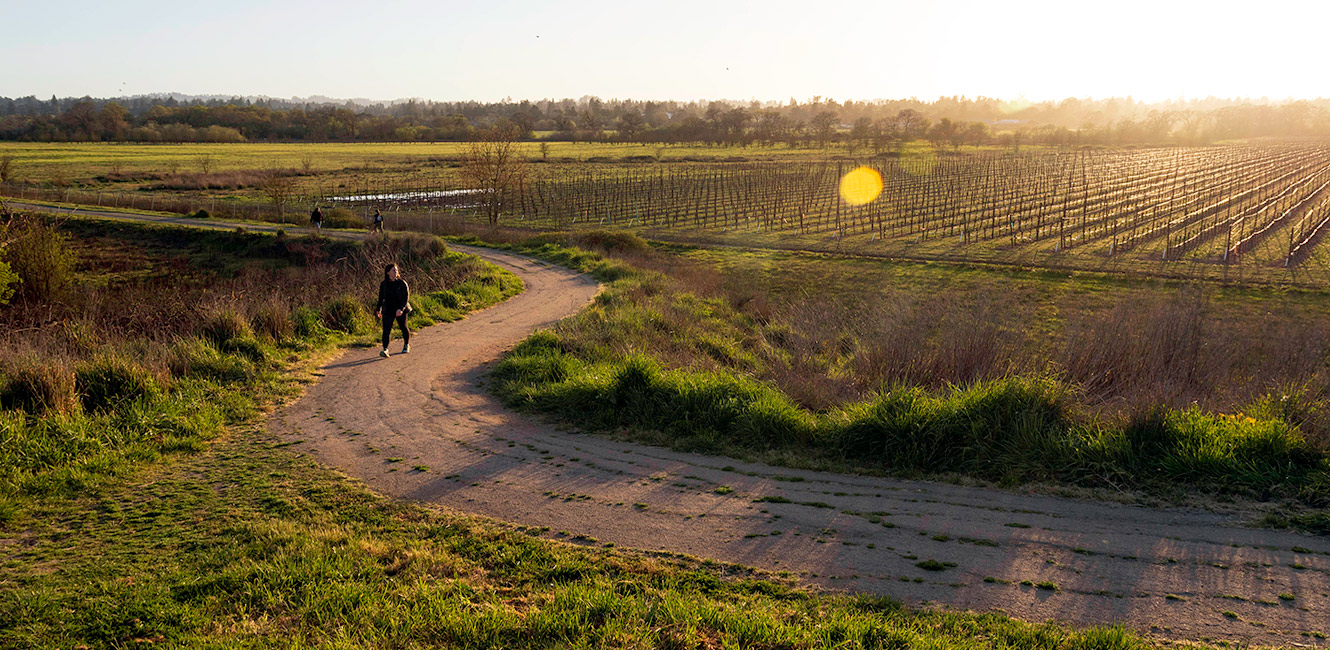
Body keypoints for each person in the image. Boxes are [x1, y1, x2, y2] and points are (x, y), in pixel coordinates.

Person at [374, 263, 411, 357]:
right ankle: (385, 349)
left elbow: (406, 298)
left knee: (403, 327)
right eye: (393, 270)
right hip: (388, 309)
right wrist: (378, 309)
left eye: (396, 270)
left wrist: (401, 309)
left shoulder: (402, 283)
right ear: (388, 272)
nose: (396, 272)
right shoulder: (384, 284)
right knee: (386, 330)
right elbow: (381, 298)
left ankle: (406, 345)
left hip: (400, 308)